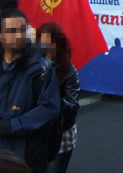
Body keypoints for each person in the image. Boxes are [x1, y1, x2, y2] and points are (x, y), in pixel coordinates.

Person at [0, 9, 60, 173]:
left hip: (25, 155)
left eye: (22, 29)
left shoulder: (41, 69)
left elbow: (50, 109)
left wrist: (10, 126)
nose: (19, 35)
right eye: (11, 31)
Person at [38, 22, 80, 173]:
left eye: (50, 44)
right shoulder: (31, 68)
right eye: (42, 44)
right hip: (36, 132)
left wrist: (51, 88)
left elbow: (72, 109)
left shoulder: (68, 71)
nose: (46, 49)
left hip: (60, 133)